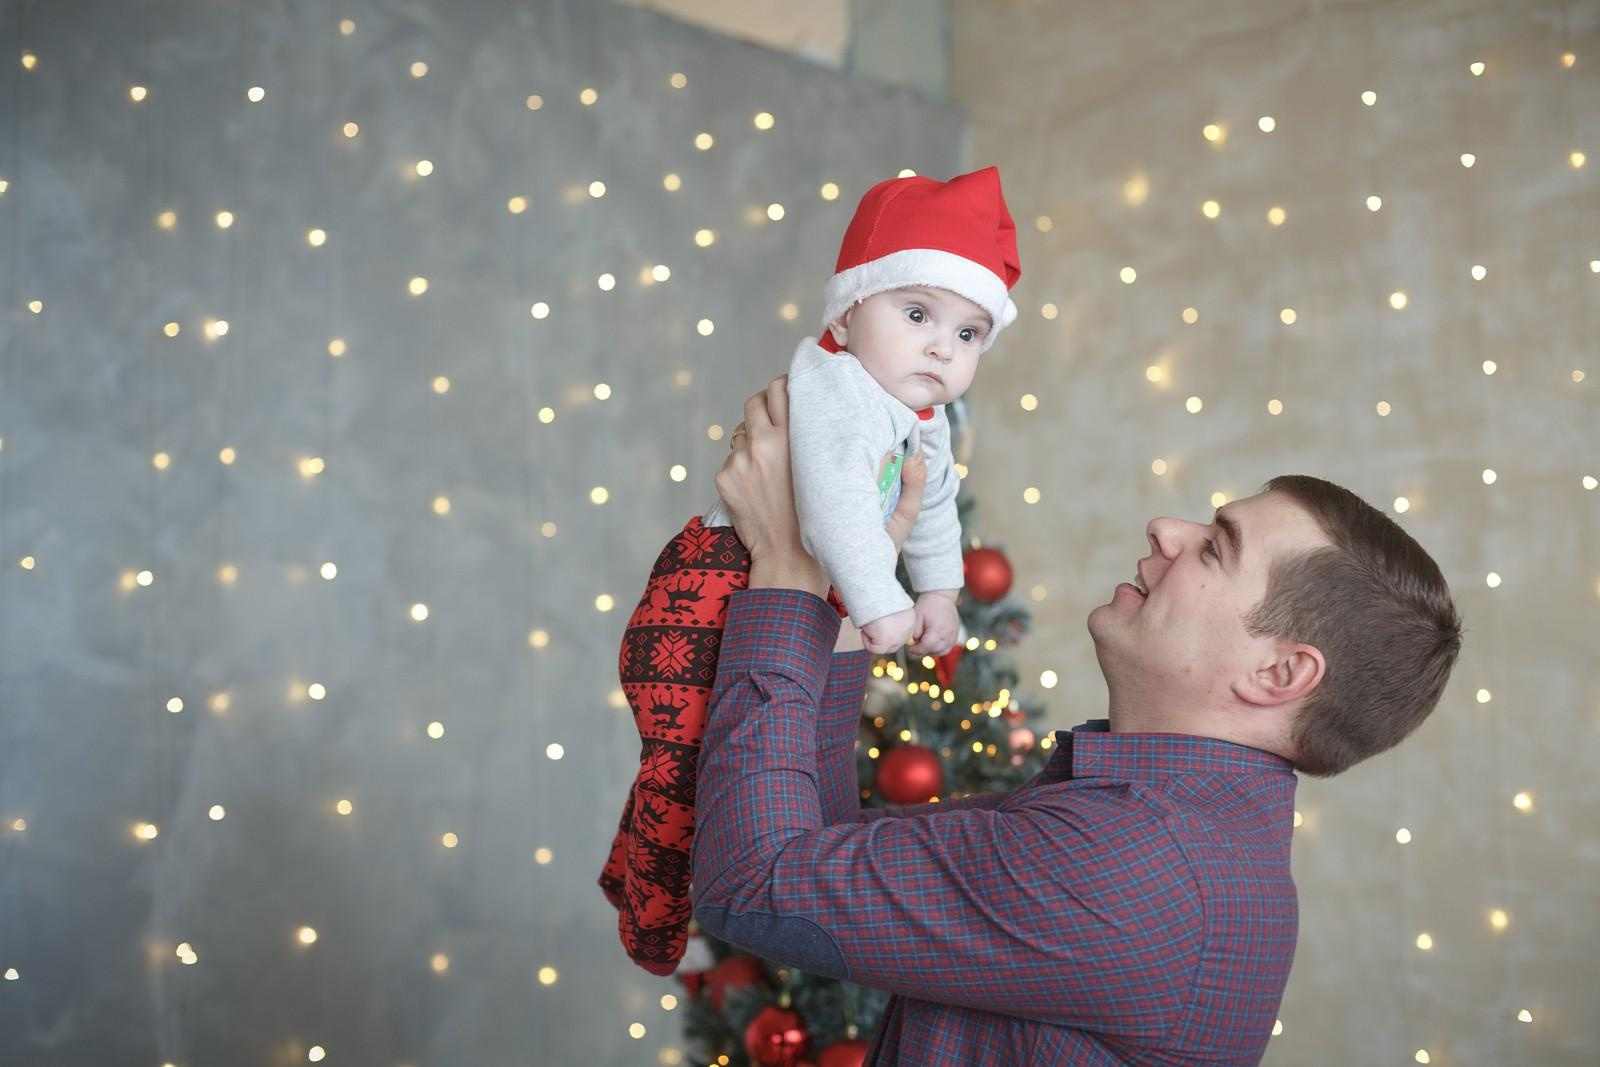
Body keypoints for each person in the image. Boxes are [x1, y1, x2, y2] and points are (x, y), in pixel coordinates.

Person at [690, 377, 1463, 1065]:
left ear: (1278, 673)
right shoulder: (1151, 824)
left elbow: (753, 884)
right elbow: (825, 864)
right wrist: (842, 586)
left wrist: (786, 565)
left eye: (1218, 546)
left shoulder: (1137, 865)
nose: (1167, 527)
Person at [599, 168, 1024, 975]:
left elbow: (931, 504)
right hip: (708, 591)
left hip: (777, 596)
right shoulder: (835, 386)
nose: (944, 345)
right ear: (850, 309)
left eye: (970, 334)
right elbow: (828, 506)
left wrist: (938, 590)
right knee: (688, 761)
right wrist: (883, 604)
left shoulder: (920, 415)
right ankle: (652, 923)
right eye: (918, 313)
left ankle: (634, 878)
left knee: (706, 767)